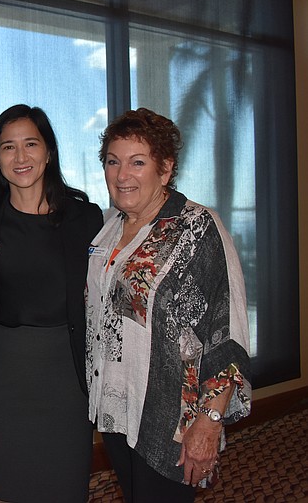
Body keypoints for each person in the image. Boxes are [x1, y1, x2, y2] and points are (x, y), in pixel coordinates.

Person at [86, 108, 252, 502]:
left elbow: (227, 331)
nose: (122, 175)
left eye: (137, 162)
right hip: (116, 410)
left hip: (173, 419)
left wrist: (209, 423)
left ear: (165, 169)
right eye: (113, 161)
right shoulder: (109, 227)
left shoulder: (197, 227)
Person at [0, 104, 102, 502]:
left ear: (49, 151)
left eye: (31, 144)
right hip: (5, 373)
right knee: (12, 484)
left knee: (65, 483)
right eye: (8, 147)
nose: (20, 156)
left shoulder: (85, 218)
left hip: (67, 371)